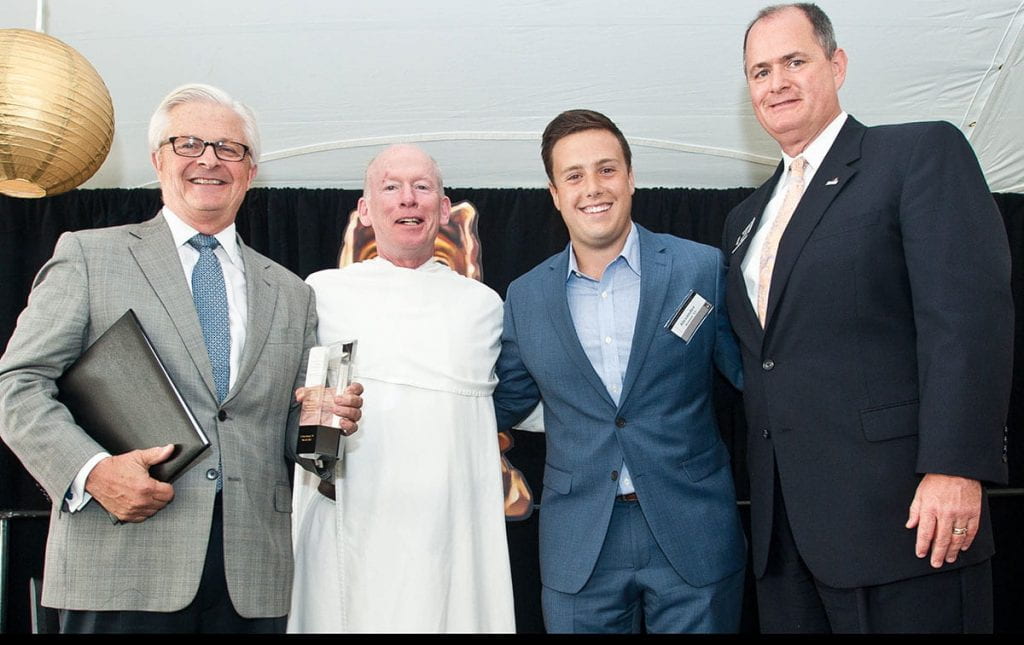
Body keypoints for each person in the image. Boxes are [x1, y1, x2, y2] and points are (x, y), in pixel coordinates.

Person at [0, 83, 361, 633]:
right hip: (119, 563)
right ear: (157, 160)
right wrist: (92, 472)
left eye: (229, 148)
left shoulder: (292, 292)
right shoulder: (90, 255)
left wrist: (320, 422)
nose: (209, 160)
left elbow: (285, 432)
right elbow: (18, 385)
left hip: (251, 578)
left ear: (251, 170)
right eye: (188, 143)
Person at [723, 4, 1012, 633]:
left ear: (838, 64)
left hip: (904, 521)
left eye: (795, 61)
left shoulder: (915, 154)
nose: (777, 82)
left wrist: (956, 466)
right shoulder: (744, 220)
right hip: (786, 542)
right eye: (760, 71)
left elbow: (966, 318)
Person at [493, 109, 746, 633]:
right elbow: (499, 400)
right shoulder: (525, 296)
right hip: (580, 543)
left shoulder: (699, 268)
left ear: (631, 177)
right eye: (574, 175)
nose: (593, 188)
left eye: (606, 170)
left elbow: (757, 377)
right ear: (555, 193)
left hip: (693, 531)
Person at [287, 144, 515, 633]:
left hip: (453, 537)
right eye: (391, 187)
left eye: (422, 187)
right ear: (365, 210)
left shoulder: (484, 306)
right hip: (349, 533)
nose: (408, 200)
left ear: (444, 208)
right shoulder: (321, 294)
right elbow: (292, 415)